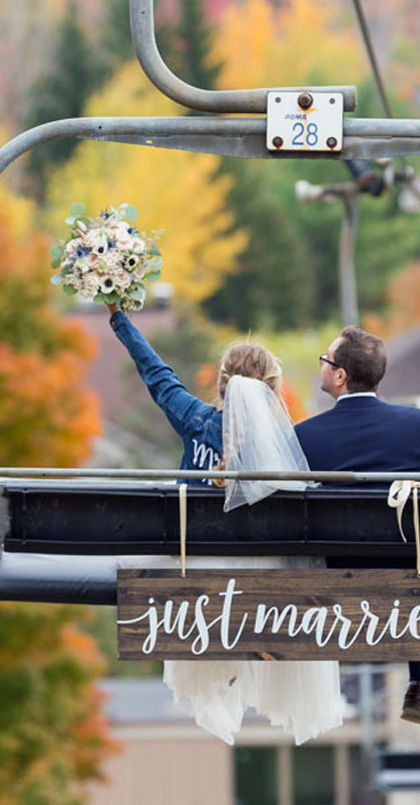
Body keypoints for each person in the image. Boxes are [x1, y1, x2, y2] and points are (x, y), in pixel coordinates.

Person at [109, 306, 345, 745]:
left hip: (194, 578)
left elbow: (156, 374)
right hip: (264, 588)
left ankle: (224, 666)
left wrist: (118, 316)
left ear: (222, 384)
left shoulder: (194, 420)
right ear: (273, 391)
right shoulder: (286, 452)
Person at [294, 325, 420, 727]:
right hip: (405, 565)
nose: (323, 368)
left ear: (340, 376)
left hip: (335, 569)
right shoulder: (413, 425)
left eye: (326, 361)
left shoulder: (305, 436)